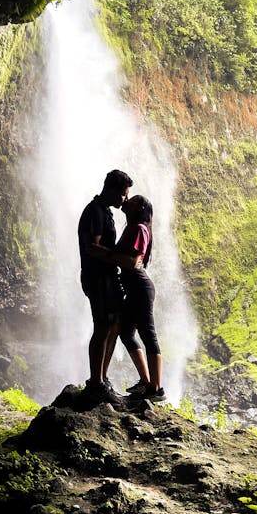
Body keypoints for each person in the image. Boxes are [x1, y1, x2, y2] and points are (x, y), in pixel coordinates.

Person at [77, 169, 133, 403]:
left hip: (107, 277)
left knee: (113, 325)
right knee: (102, 326)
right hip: (97, 277)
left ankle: (102, 378)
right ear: (110, 189)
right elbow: (92, 247)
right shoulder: (95, 212)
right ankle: (96, 383)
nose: (125, 199)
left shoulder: (104, 211)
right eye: (123, 194)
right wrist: (120, 259)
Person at [111, 194, 165, 402]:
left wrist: (104, 254)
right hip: (133, 289)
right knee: (126, 333)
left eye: (132, 200)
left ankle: (156, 388)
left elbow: (133, 262)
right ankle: (145, 381)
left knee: (148, 335)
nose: (126, 201)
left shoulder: (140, 229)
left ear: (140, 208)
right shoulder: (133, 227)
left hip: (140, 288)